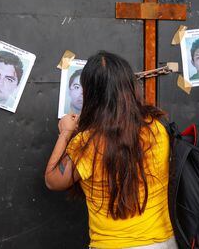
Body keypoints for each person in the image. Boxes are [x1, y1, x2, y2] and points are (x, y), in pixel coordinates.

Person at [45, 51, 177, 249]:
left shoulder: (88, 142)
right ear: (130, 86)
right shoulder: (156, 128)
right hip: (163, 243)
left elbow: (52, 180)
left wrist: (65, 133)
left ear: (90, 94)